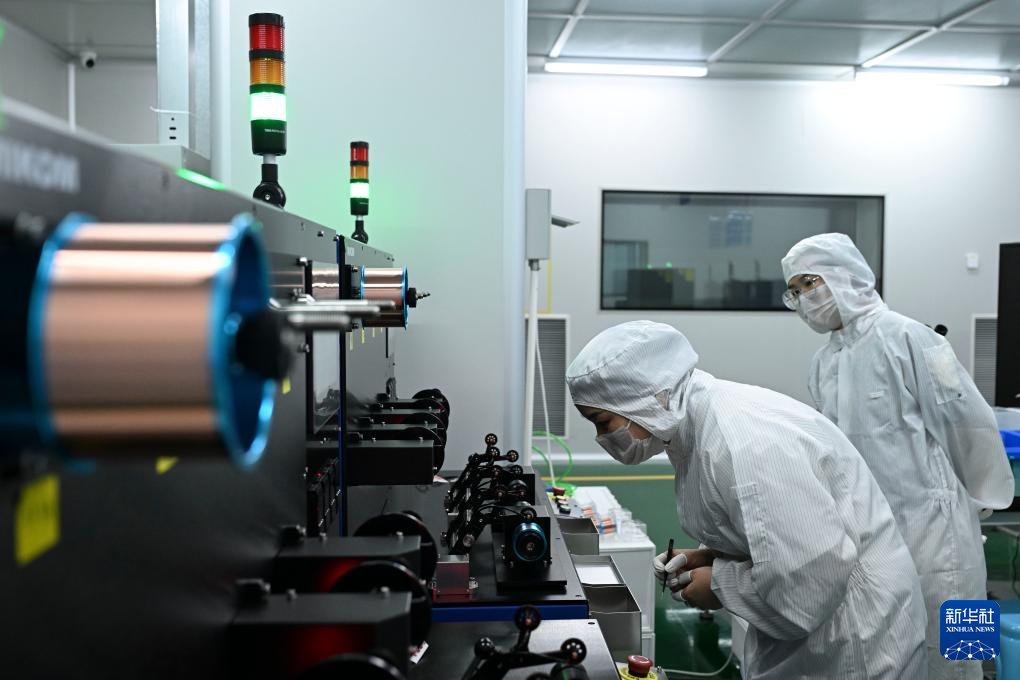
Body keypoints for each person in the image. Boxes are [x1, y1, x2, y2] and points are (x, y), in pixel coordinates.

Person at [567, 321, 926, 679]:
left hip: (856, 636)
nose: (603, 436)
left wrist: (718, 586)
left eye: (602, 421)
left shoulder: (745, 442)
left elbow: (808, 587)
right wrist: (710, 555)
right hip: (821, 627)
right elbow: (772, 530)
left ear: (648, 398)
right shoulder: (694, 426)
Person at [782, 233, 1013, 680]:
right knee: (894, 653)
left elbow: (968, 422)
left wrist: (981, 498)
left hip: (942, 536)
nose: (804, 299)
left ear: (844, 275)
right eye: (795, 291)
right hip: (876, 538)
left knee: (960, 656)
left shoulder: (912, 338)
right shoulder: (824, 363)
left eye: (809, 283)